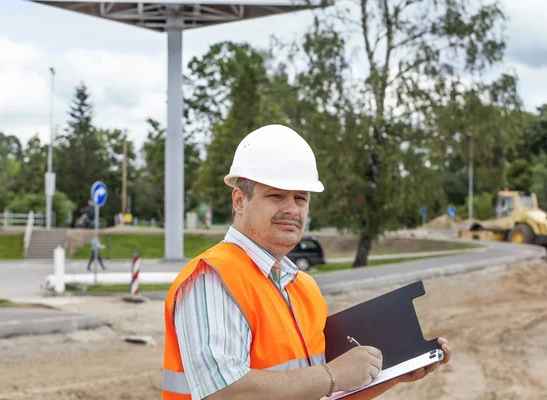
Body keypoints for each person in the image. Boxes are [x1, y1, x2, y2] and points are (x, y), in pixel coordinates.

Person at [162, 125, 452, 400]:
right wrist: (332, 375)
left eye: (300, 198)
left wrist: (391, 375)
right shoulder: (213, 278)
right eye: (276, 195)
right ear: (239, 200)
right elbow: (222, 392)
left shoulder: (304, 289)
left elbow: (317, 390)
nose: (291, 209)